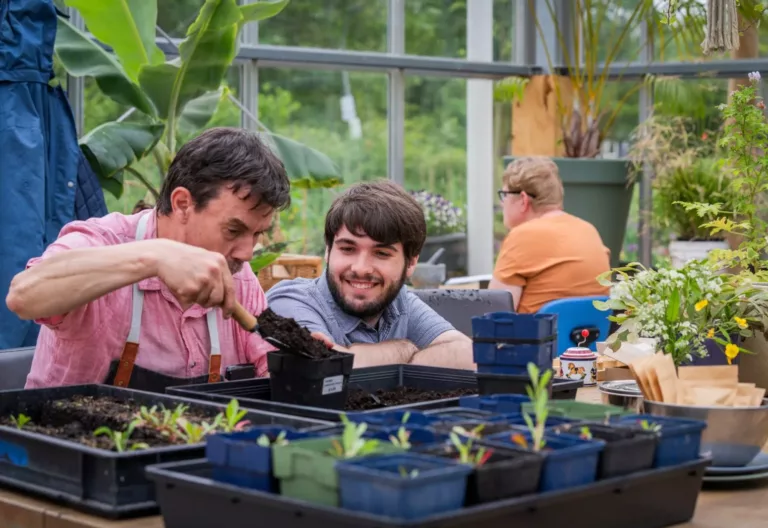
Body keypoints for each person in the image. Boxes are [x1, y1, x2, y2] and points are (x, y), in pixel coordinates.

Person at [5, 127, 294, 390]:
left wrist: (305, 359)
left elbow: (270, 361)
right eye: (233, 230)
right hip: (69, 444)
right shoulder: (104, 241)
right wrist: (154, 257)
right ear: (182, 204)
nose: (246, 253)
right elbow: (24, 295)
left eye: (257, 235)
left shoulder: (238, 278)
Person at [266, 181, 474, 370]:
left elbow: (468, 355)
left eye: (381, 254)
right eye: (348, 249)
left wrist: (364, 359)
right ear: (328, 250)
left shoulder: (400, 303)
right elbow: (323, 370)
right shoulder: (290, 302)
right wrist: (405, 350)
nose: (361, 268)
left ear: (410, 263)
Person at [489, 157, 610, 313]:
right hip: (589, 337)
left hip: (535, 336)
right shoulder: (589, 231)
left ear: (524, 200)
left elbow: (493, 314)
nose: (502, 203)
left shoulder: (522, 236)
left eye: (504, 195)